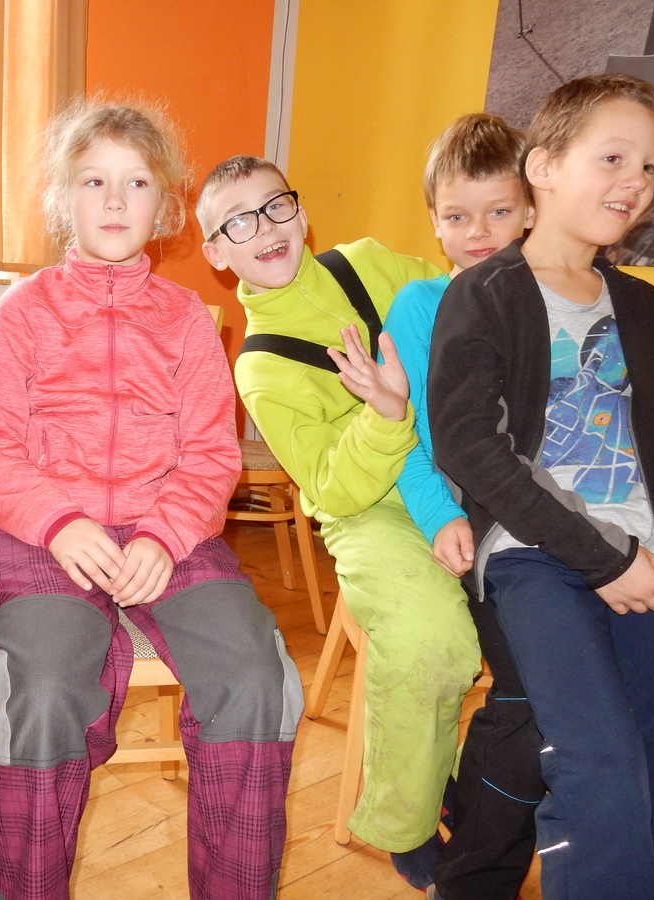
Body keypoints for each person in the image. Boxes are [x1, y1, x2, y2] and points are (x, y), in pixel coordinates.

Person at [0, 103, 304, 900]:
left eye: (137, 183)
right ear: (62, 200)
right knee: (48, 692)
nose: (115, 201)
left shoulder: (186, 321)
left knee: (257, 675)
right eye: (94, 182)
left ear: (165, 206)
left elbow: (211, 454)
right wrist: (60, 523)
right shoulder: (23, 311)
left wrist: (164, 534)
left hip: (172, 542)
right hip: (45, 542)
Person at [429, 73, 654, 900]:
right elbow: (472, 447)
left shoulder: (641, 305)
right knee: (597, 763)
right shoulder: (483, 295)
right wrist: (604, 557)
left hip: (652, 561)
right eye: (612, 158)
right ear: (543, 168)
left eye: (650, 166)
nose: (636, 181)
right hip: (539, 560)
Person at [197, 155, 482, 888]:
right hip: (373, 515)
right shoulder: (260, 367)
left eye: (276, 206)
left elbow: (468, 301)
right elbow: (333, 487)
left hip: (467, 473)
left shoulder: (370, 263)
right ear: (216, 254)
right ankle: (406, 821)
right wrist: (386, 415)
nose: (265, 228)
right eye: (238, 222)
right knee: (432, 642)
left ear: (301, 213)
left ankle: (467, 772)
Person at [385, 113, 543, 900]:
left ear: (531, 210)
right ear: (434, 222)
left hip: (545, 523)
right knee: (529, 678)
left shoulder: (552, 300)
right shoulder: (421, 306)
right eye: (457, 216)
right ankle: (473, 832)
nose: (477, 232)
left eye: (498, 211)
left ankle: (482, 796)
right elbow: (407, 436)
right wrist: (439, 516)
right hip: (471, 526)